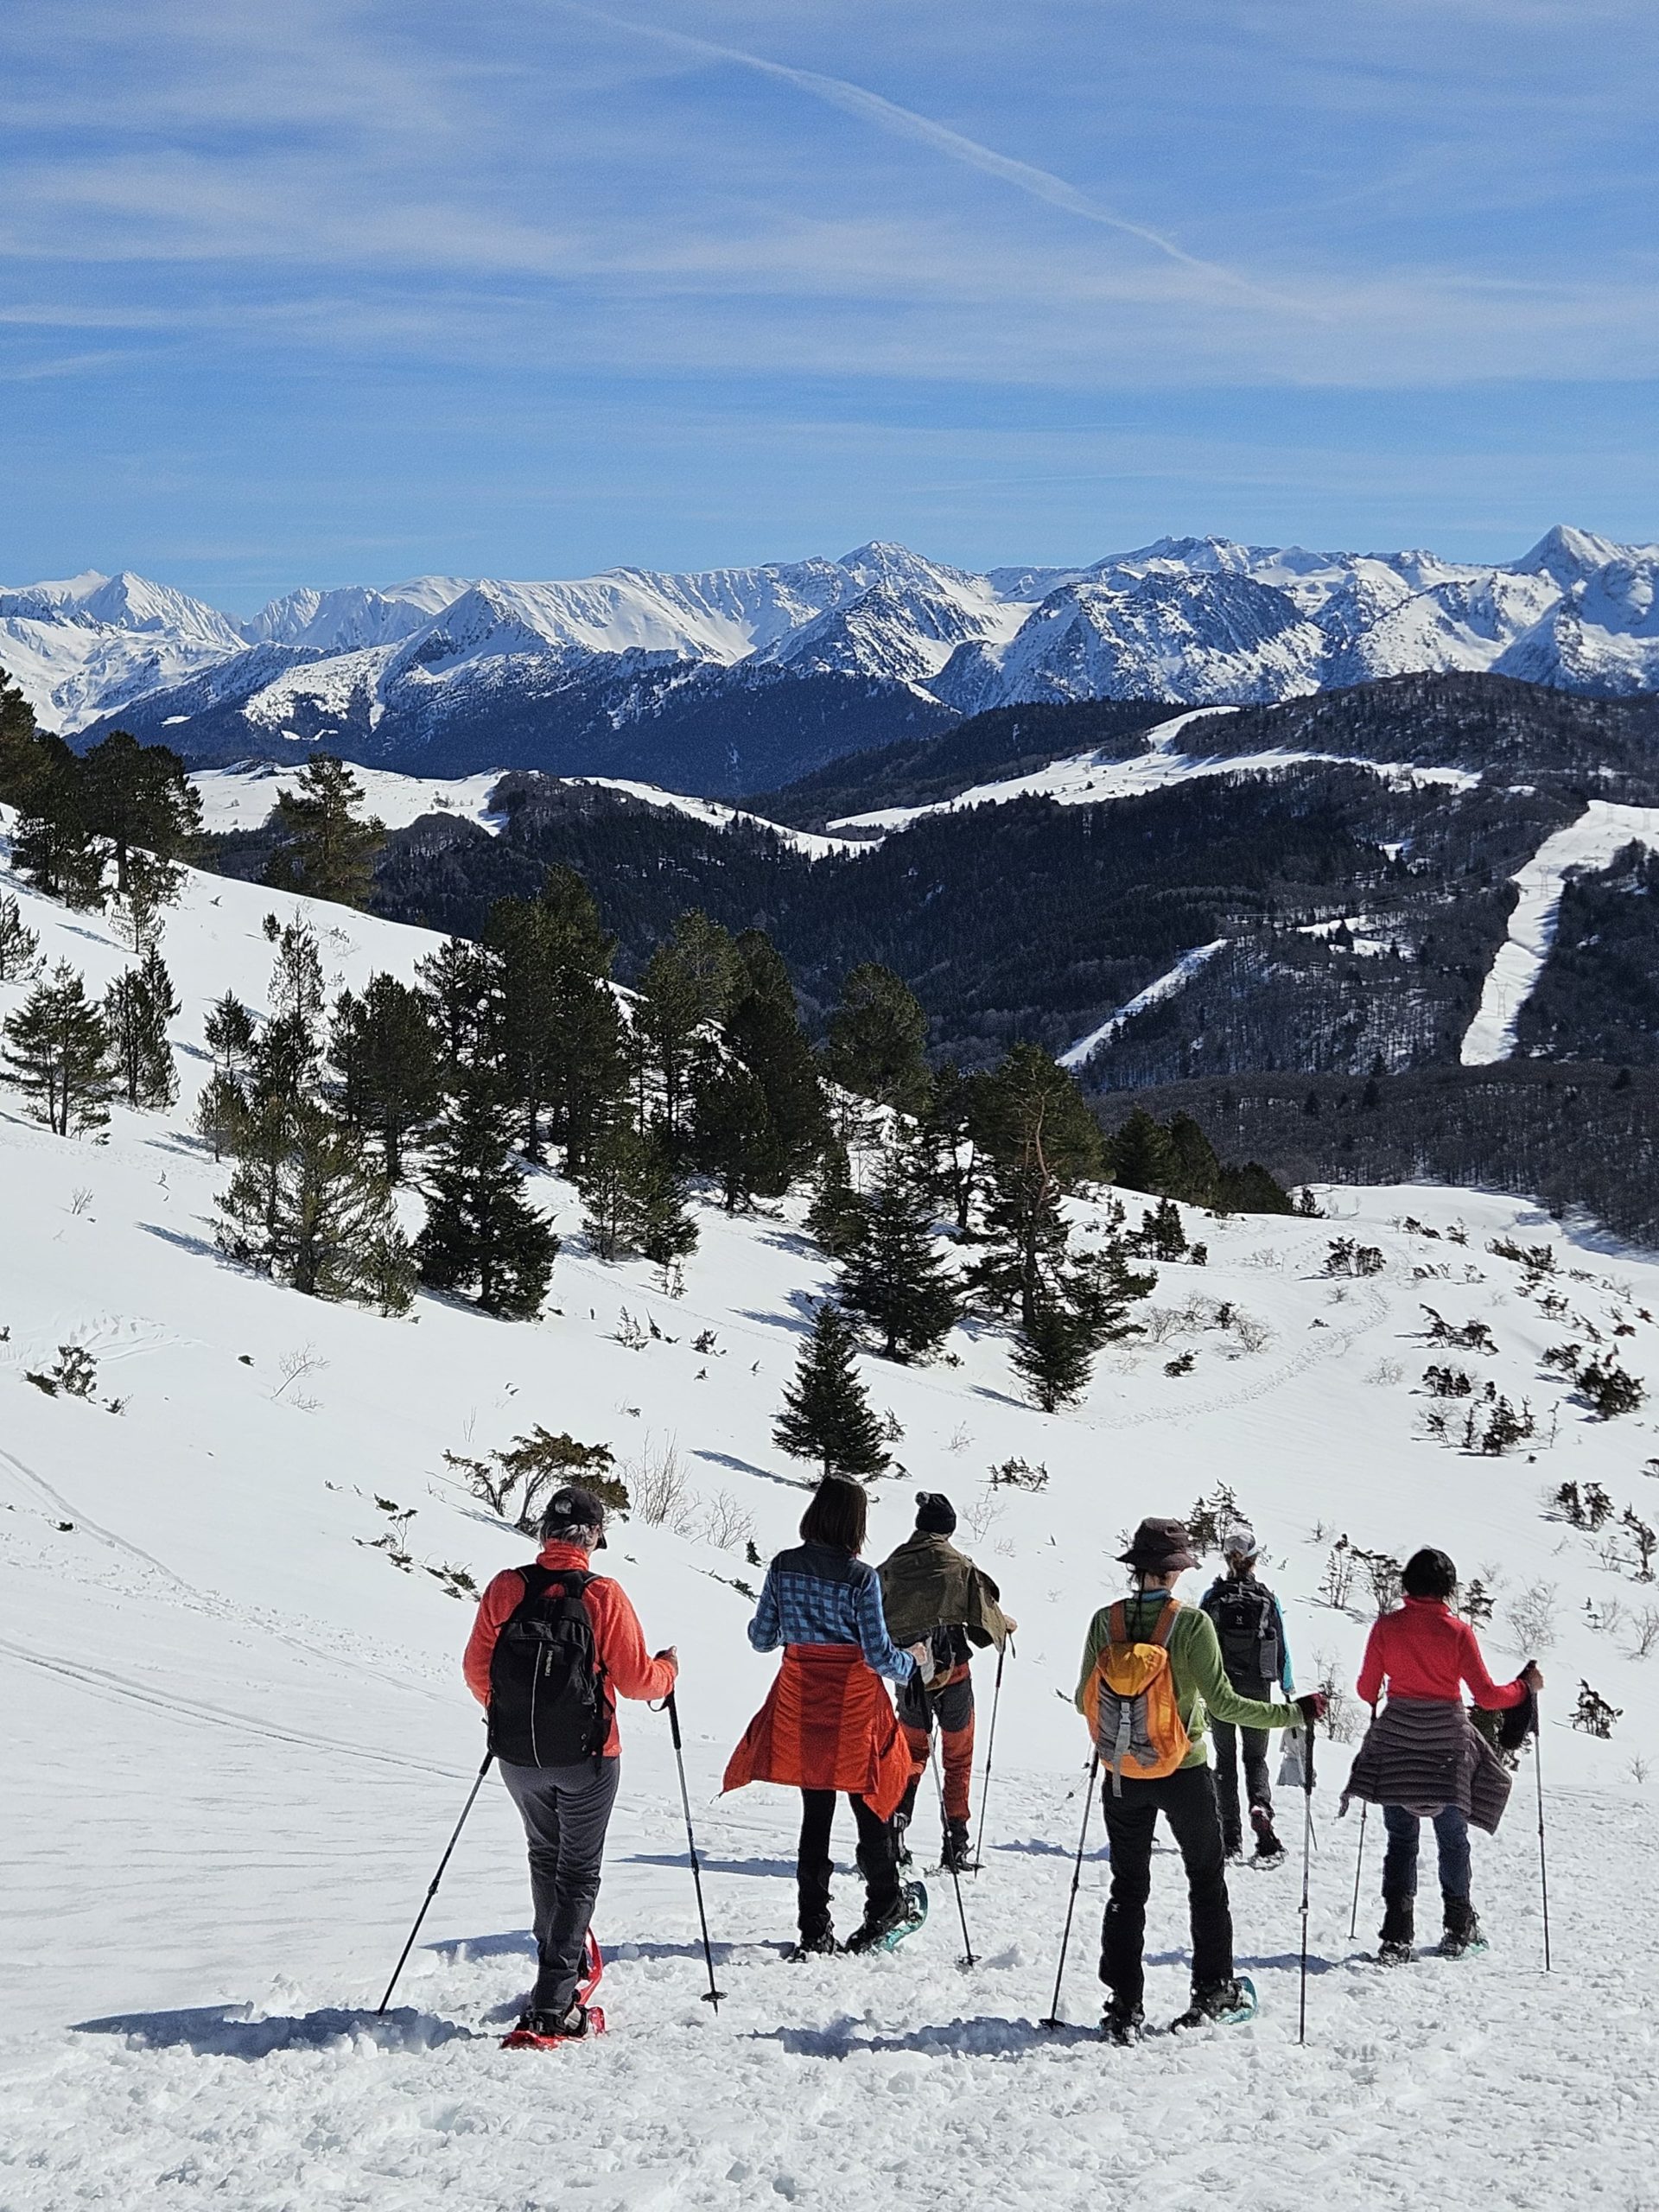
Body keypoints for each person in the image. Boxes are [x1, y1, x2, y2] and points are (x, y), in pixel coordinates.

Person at [1075, 1516, 1324, 2044]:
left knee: (1127, 1887)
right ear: (1176, 1571)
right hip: (1184, 1769)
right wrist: (1293, 1714)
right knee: (1206, 1880)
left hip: (1121, 1773)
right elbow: (1227, 1704)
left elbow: (1083, 1700)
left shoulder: (1105, 1621)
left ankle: (1123, 2007)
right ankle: (1213, 1990)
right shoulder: (1190, 1625)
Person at [463, 1484, 677, 2044]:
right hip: (588, 1758)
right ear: (594, 1538)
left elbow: (476, 1670)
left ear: (545, 1533)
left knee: (544, 1854)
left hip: (517, 1756)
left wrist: (512, 1714)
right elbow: (637, 1681)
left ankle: (560, 1959)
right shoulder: (603, 1594)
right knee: (578, 1872)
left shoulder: (507, 1587)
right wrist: (669, 1671)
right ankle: (554, 2003)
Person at [725, 1475, 931, 1958]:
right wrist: (914, 1661)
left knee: (815, 1813)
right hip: (852, 1703)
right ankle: (883, 1906)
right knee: (871, 1801)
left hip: (801, 1698)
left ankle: (813, 1926)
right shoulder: (861, 1579)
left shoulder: (783, 1566)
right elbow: (878, 1655)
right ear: (855, 1522)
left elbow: (761, 1639)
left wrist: (791, 1626)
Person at [1343, 1547, 1542, 1965]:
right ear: (1448, 1588)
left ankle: (1396, 1935)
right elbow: (1487, 1697)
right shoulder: (1458, 1633)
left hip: (1399, 1745)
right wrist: (1525, 1689)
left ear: (1407, 1584)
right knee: (1453, 1839)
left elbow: (1366, 1690)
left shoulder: (1386, 1627)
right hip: (1447, 1749)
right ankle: (1458, 1927)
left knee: (1401, 1841)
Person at [878, 1491, 1015, 1873]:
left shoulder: (892, 1566)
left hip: (910, 1677)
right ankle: (956, 1846)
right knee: (958, 1759)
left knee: (910, 1755)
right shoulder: (959, 1566)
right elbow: (984, 1624)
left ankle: (895, 1829)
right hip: (955, 1676)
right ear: (948, 1529)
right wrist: (1004, 1625)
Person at [1198, 1522, 1295, 1866]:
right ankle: (1260, 1809)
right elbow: (1281, 1645)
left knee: (1224, 1760)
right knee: (1255, 1758)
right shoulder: (1267, 1598)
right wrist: (1287, 1686)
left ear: (1227, 1557)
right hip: (1257, 1688)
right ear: (1254, 1559)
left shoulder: (1212, 1598)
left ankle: (1230, 1840)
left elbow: (1198, 1642)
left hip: (1221, 1688)